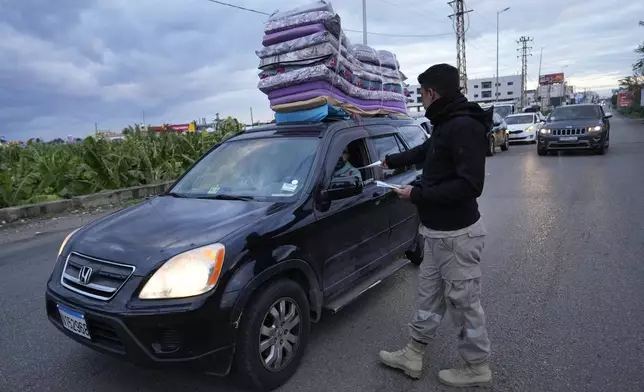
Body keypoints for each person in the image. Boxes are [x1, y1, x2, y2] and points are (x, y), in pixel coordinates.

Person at [378, 63, 493, 388]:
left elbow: (471, 185)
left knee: (464, 303)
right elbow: (425, 152)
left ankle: (476, 366)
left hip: (458, 236)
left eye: (422, 93)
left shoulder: (464, 126)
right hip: (437, 235)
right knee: (428, 298)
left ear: (431, 92)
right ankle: (413, 354)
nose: (422, 100)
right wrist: (391, 161)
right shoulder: (444, 124)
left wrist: (417, 194)